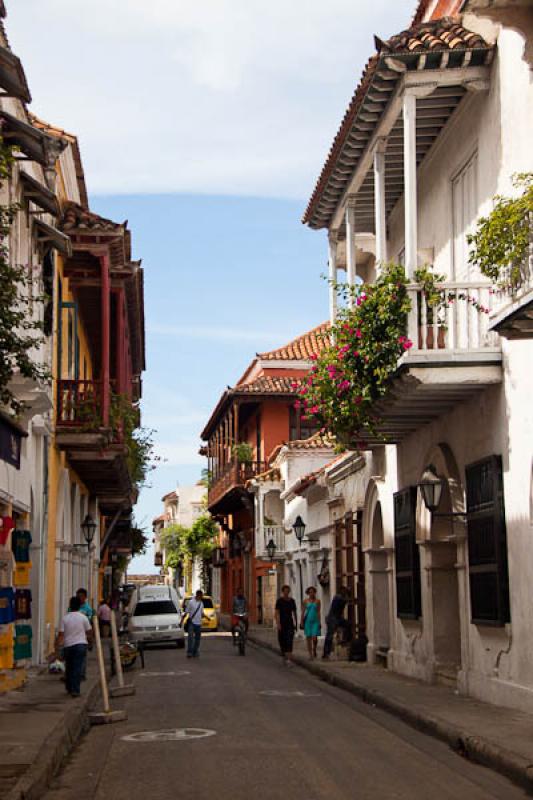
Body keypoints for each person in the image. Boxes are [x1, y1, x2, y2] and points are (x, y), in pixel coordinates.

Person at [56, 596, 92, 697]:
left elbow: (61, 635)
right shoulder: (83, 617)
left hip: (68, 646)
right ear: (80, 606)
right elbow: (89, 632)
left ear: (70, 605)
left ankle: (69, 687)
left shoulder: (65, 618)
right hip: (81, 645)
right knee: (77, 668)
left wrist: (58, 647)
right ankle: (75, 690)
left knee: (69, 667)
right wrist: (90, 643)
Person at [322, 586, 350, 660]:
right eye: (344, 591)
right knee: (329, 636)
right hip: (333, 619)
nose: (345, 592)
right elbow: (345, 601)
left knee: (347, 625)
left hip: (336, 618)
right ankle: (326, 653)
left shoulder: (339, 597)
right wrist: (348, 593)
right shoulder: (338, 597)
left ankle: (344, 639)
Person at [275, 585, 298, 666]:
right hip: (282, 623)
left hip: (290, 623)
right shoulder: (279, 601)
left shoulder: (292, 601)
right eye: (285, 591)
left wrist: (296, 623)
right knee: (282, 640)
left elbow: (294, 613)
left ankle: (289, 659)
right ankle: (285, 655)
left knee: (289, 640)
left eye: (288, 591)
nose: (286, 592)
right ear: (283, 591)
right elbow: (277, 613)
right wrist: (278, 624)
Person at [76, 588, 94, 680]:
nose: (80, 598)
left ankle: (82, 674)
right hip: (73, 634)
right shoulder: (73, 606)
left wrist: (90, 639)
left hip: (83, 635)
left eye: (81, 596)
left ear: (85, 597)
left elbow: (90, 624)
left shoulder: (88, 609)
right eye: (78, 596)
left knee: (82, 656)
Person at [301, 586, 321, 660]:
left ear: (314, 592)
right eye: (310, 592)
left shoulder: (318, 601)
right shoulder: (305, 601)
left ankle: (314, 649)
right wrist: (301, 621)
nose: (311, 593)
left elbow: (318, 611)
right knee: (308, 638)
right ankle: (310, 654)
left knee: (314, 637)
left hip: (315, 621)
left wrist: (319, 622)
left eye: (313, 592)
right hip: (308, 622)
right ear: (308, 593)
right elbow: (303, 612)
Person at [185, 590, 205, 658]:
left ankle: (195, 651)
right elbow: (187, 611)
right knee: (190, 638)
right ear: (198, 595)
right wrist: (182, 620)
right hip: (192, 622)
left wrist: (204, 616)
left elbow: (202, 613)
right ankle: (189, 652)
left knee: (197, 639)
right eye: (201, 595)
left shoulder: (201, 603)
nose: (202, 597)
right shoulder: (191, 602)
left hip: (199, 623)